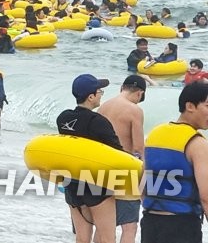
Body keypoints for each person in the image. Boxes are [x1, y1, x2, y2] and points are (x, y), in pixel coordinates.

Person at [141, 80, 208, 243]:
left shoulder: (155, 134)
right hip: (182, 226)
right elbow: (206, 196)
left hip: (150, 223)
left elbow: (142, 182)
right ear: (190, 106)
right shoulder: (197, 143)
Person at [57, 74, 121, 243]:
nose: (101, 94)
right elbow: (117, 153)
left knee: (82, 238)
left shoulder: (63, 118)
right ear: (91, 97)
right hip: (96, 184)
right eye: (100, 91)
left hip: (71, 183)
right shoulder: (98, 121)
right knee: (107, 238)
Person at [97, 75, 146, 243]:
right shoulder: (135, 110)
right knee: (129, 226)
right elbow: (139, 148)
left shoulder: (103, 106)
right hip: (124, 170)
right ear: (139, 93)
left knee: (104, 225)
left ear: (121, 88)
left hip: (101, 169)